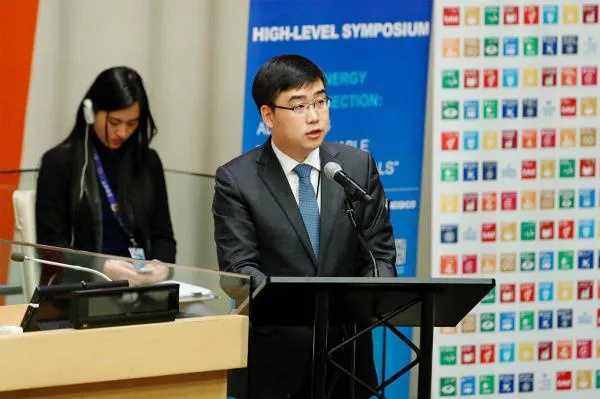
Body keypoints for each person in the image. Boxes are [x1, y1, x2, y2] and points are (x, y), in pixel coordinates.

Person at [212, 55, 396, 399]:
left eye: (320, 101)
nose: (314, 116)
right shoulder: (237, 181)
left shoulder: (357, 167)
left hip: (348, 354)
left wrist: (375, 298)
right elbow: (239, 269)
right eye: (298, 106)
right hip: (274, 363)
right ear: (268, 115)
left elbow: (379, 254)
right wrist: (302, 307)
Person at [36, 66, 176, 286]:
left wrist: (162, 267)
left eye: (132, 124)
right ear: (90, 112)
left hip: (142, 286)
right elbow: (50, 248)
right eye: (114, 122)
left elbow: (164, 237)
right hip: (86, 286)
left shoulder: (148, 162)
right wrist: (100, 268)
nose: (122, 132)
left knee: (202, 315)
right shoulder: (59, 163)